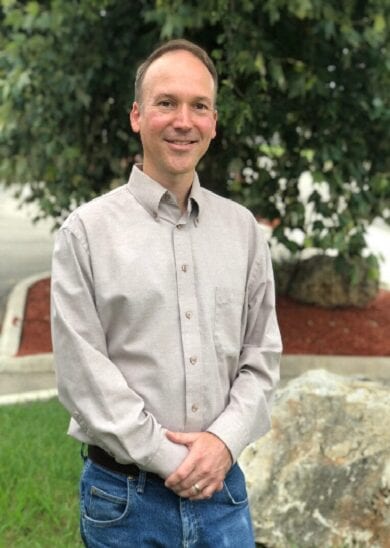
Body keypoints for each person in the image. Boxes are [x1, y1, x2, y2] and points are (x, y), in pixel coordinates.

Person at [51, 38, 282, 547]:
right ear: (137, 116)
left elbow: (261, 357)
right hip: (124, 501)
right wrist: (175, 460)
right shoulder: (85, 234)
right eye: (166, 103)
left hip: (224, 495)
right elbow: (82, 375)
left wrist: (222, 443)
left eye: (199, 105)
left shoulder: (243, 231)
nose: (184, 120)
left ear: (214, 122)